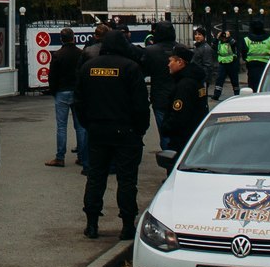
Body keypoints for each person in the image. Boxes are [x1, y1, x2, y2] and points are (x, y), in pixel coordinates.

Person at [74, 29, 150, 240]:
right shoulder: (131, 68)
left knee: (95, 177)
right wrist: (140, 129)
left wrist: (88, 124)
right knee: (127, 180)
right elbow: (141, 105)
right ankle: (127, 226)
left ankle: (91, 224)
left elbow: (78, 101)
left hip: (97, 131)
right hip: (126, 131)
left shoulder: (89, 67)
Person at [45, 28, 87, 172]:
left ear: (61, 39)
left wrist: (54, 91)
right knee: (80, 126)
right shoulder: (80, 53)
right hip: (77, 91)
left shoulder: (58, 55)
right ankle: (82, 156)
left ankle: (60, 157)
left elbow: (53, 77)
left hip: (62, 91)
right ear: (73, 38)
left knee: (61, 126)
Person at [162, 45, 208, 152]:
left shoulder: (184, 85)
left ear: (180, 62)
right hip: (194, 135)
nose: (169, 64)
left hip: (182, 139)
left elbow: (179, 116)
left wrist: (166, 128)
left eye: (171, 61)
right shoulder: (195, 80)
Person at [140, 21, 175, 150]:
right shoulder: (180, 49)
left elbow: (143, 71)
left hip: (160, 96)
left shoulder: (151, 51)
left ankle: (168, 158)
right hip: (178, 95)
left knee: (164, 132)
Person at [211, 29, 242, 100]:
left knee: (234, 80)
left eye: (225, 37)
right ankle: (216, 95)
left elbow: (234, 44)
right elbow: (213, 46)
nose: (224, 38)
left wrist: (229, 37)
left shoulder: (231, 42)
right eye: (223, 37)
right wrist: (217, 37)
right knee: (219, 80)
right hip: (222, 64)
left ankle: (237, 94)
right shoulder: (219, 42)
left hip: (232, 63)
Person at [244, 19, 270, 90]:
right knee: (264, 83)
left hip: (252, 65)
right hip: (265, 65)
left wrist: (247, 60)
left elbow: (243, 53)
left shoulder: (247, 39)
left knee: (252, 85)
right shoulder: (269, 39)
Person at [190, 26, 216, 98]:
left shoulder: (206, 48)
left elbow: (208, 66)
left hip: (201, 80)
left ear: (204, 36)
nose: (197, 36)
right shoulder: (197, 47)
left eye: (199, 34)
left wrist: (203, 80)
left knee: (202, 98)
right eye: (196, 34)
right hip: (196, 78)